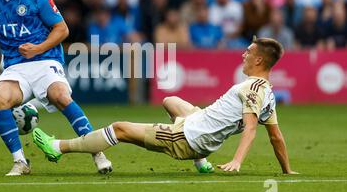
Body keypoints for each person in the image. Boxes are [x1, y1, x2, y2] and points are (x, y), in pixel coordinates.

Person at [32, 37, 298, 175]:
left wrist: (237, 162)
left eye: (249, 51)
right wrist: (286, 171)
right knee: (170, 101)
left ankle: (58, 148)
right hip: (198, 120)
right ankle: (201, 162)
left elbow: (251, 129)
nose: (244, 54)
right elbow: (275, 136)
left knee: (120, 128)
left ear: (260, 59)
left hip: (187, 137)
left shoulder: (251, 89)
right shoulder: (268, 94)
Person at [0, 0, 112, 176]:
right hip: (15, 67)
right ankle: (20, 162)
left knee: (61, 95)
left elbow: (62, 29)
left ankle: (98, 153)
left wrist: (38, 48)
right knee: (0, 99)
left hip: (45, 60)